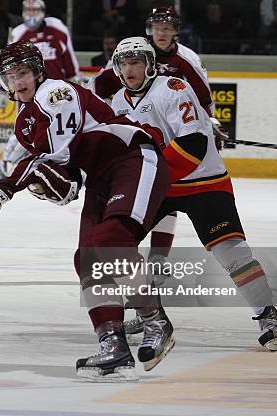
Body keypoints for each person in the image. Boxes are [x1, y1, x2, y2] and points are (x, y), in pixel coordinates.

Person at [0, 39, 175, 381]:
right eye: (10, 76)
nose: (18, 82)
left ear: (37, 73)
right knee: (87, 257)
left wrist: (2, 187)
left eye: (23, 73)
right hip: (102, 178)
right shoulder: (23, 123)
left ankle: (156, 321)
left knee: (110, 239)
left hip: (131, 158)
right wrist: (51, 187)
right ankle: (113, 345)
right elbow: (65, 179)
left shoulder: (56, 93)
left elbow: (55, 155)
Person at [110, 37, 277, 352]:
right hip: (160, 184)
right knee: (116, 241)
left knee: (232, 253)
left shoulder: (172, 90)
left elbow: (194, 145)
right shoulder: (117, 101)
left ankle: (269, 317)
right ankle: (150, 314)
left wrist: (148, 178)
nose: (130, 69)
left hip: (202, 181)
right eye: (125, 63)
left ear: (150, 65)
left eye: (136, 62)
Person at [88, 6, 228, 279]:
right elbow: (101, 85)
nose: (161, 33)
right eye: (157, 28)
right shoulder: (132, 52)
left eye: (167, 28)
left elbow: (202, 94)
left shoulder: (187, 58)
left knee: (166, 190)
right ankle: (155, 263)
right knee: (159, 192)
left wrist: (207, 121)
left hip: (179, 130)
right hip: (148, 124)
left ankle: (159, 258)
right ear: (149, 30)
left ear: (176, 31)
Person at [0, 0, 82, 179]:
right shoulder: (19, 32)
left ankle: (68, 168)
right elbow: (7, 64)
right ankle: (6, 165)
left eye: (35, 10)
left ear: (43, 11)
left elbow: (70, 62)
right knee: (25, 128)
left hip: (58, 93)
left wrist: (75, 81)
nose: (31, 14)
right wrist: (5, 86)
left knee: (63, 130)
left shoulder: (58, 28)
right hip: (28, 92)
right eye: (28, 10)